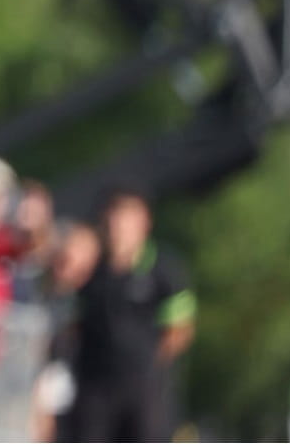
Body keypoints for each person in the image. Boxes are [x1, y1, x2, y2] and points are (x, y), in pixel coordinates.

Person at [66, 186, 196, 443]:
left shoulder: (163, 272)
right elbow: (72, 322)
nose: (118, 225)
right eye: (114, 216)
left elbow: (180, 330)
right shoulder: (91, 272)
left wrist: (146, 367)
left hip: (144, 392)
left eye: (127, 216)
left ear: (144, 222)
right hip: (95, 389)